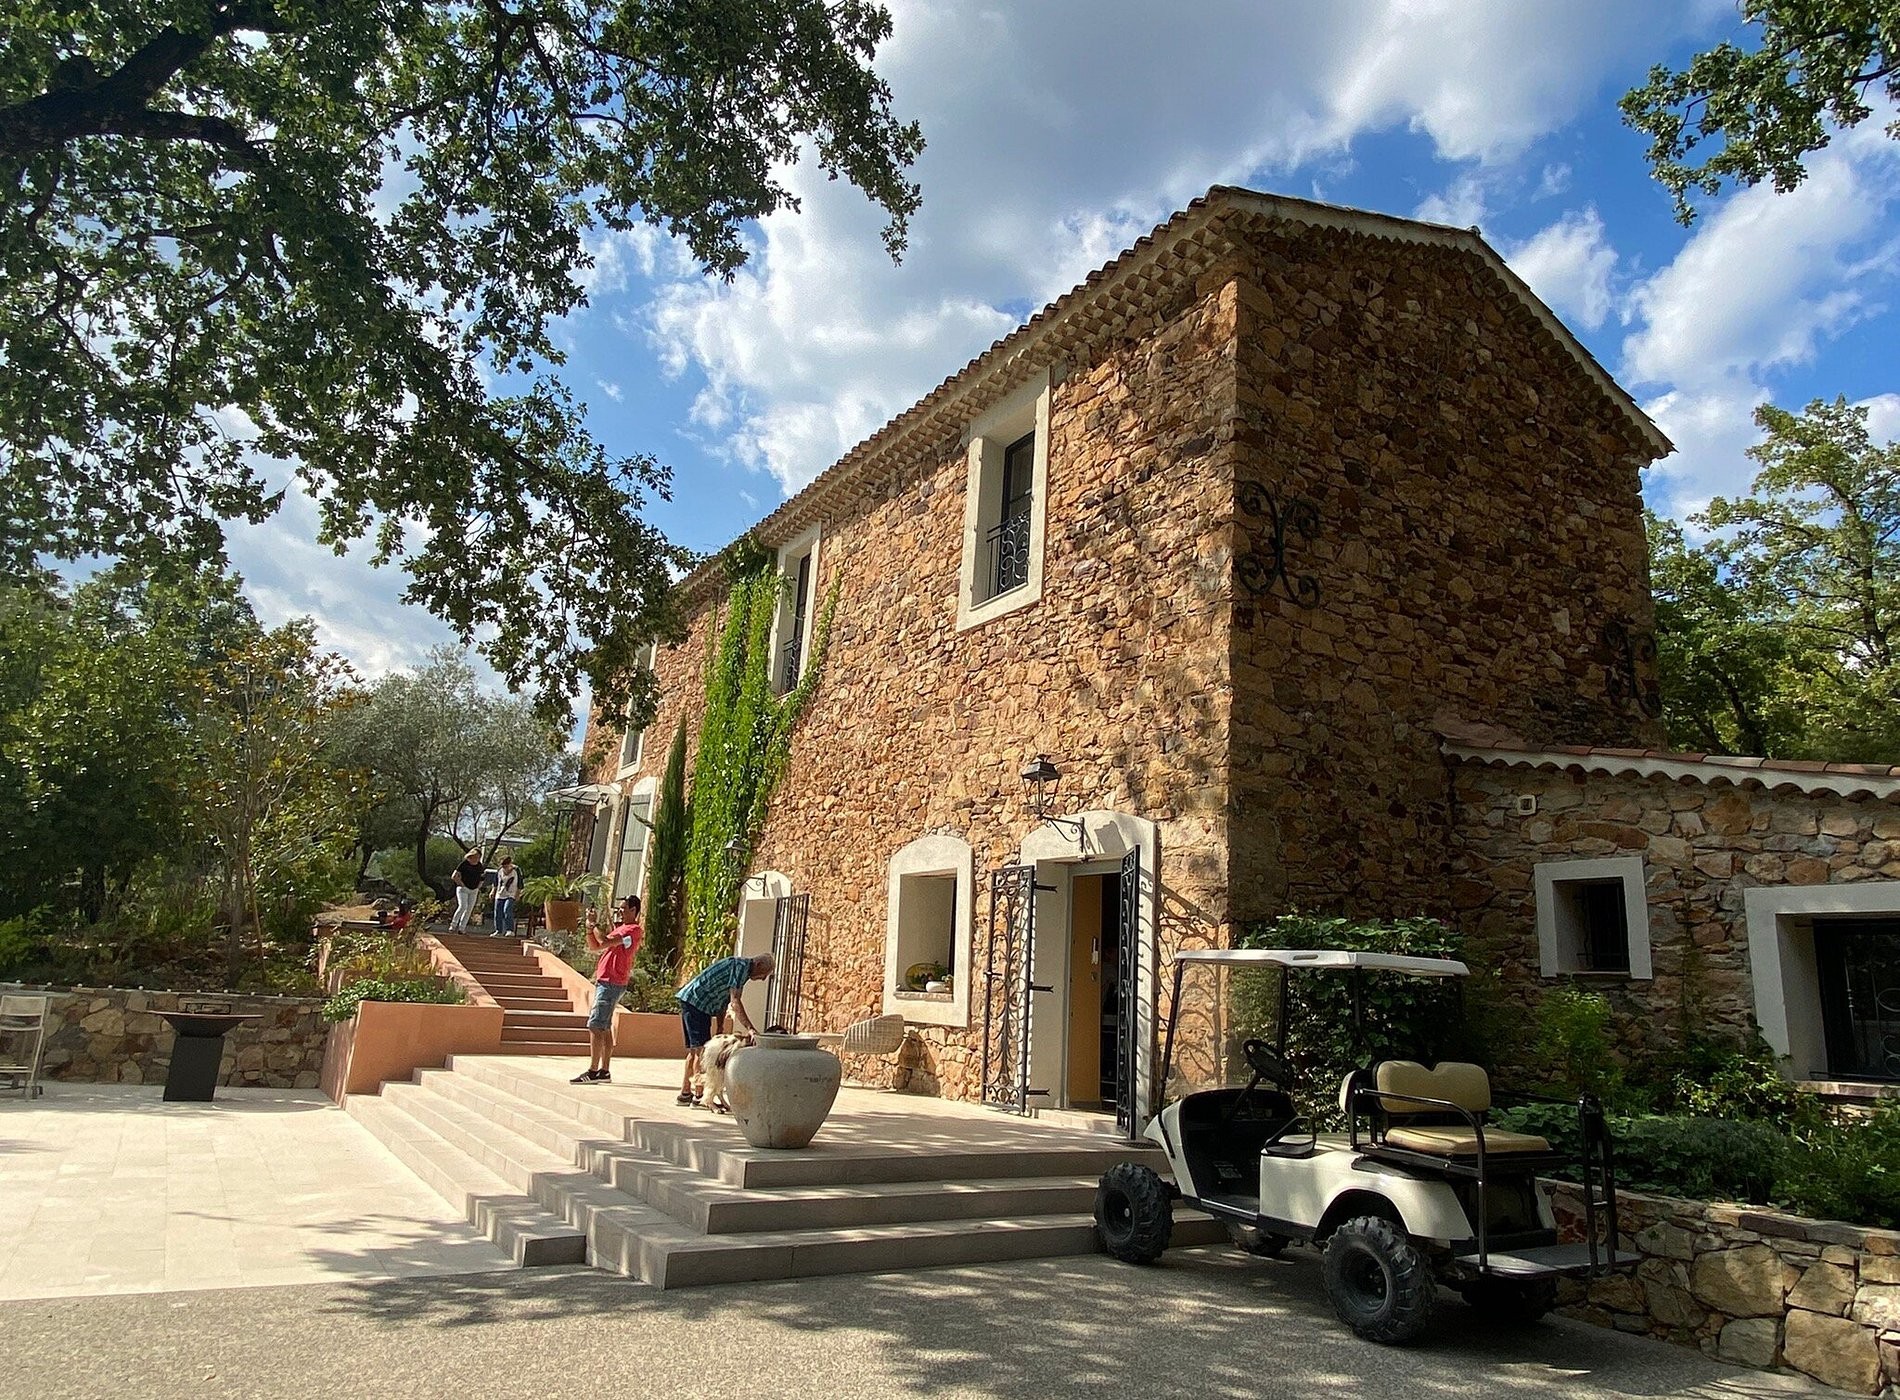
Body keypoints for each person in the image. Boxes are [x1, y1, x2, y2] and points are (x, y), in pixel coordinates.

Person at [674, 951, 773, 1106]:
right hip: (697, 1003)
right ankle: (699, 1096)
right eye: (764, 974)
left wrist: (720, 1026)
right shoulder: (741, 968)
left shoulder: (739, 969)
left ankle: (685, 1094)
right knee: (702, 1051)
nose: (763, 979)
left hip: (692, 1001)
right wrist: (750, 1028)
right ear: (758, 965)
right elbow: (735, 1001)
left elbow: (723, 999)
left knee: (694, 1051)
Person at [572, 896, 643, 1084]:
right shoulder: (621, 929)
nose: (620, 911)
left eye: (624, 908)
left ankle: (593, 1071)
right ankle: (604, 1070)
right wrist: (589, 928)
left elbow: (603, 940)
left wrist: (594, 924)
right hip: (606, 981)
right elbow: (596, 946)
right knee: (604, 1026)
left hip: (612, 982)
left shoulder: (632, 930)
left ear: (634, 910)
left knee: (595, 1025)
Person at [448, 848, 486, 933]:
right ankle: (453, 925)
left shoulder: (479, 866)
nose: (476, 859)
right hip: (463, 889)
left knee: (469, 909)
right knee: (462, 906)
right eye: (475, 856)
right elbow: (454, 876)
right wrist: (461, 884)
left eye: (478, 857)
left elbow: (482, 878)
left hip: (473, 890)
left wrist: (478, 887)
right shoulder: (464, 864)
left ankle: (462, 928)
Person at [492, 856, 520, 938]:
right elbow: (496, 882)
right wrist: (493, 891)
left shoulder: (516, 870)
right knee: (498, 912)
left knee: (507, 910)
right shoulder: (499, 870)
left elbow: (520, 883)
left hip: (511, 894)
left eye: (506, 865)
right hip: (500, 894)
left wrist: (518, 894)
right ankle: (498, 930)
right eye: (503, 866)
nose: (505, 868)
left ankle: (510, 930)